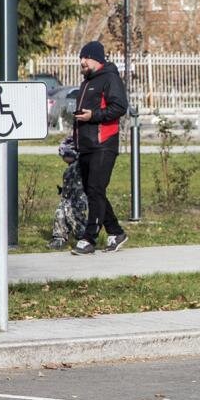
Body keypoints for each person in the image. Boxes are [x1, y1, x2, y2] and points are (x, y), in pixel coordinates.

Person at [71, 40, 129, 255]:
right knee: (93, 191)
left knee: (95, 189)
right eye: (80, 58)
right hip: (86, 145)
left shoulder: (109, 78)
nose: (82, 61)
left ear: (96, 58)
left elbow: (119, 107)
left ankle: (89, 238)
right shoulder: (87, 82)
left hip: (104, 144)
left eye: (85, 57)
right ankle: (116, 232)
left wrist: (93, 115)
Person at [47, 136, 87, 250]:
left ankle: (84, 237)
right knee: (59, 214)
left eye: (64, 155)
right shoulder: (69, 168)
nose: (62, 158)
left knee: (74, 217)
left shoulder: (79, 166)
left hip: (78, 200)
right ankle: (59, 238)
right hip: (67, 198)